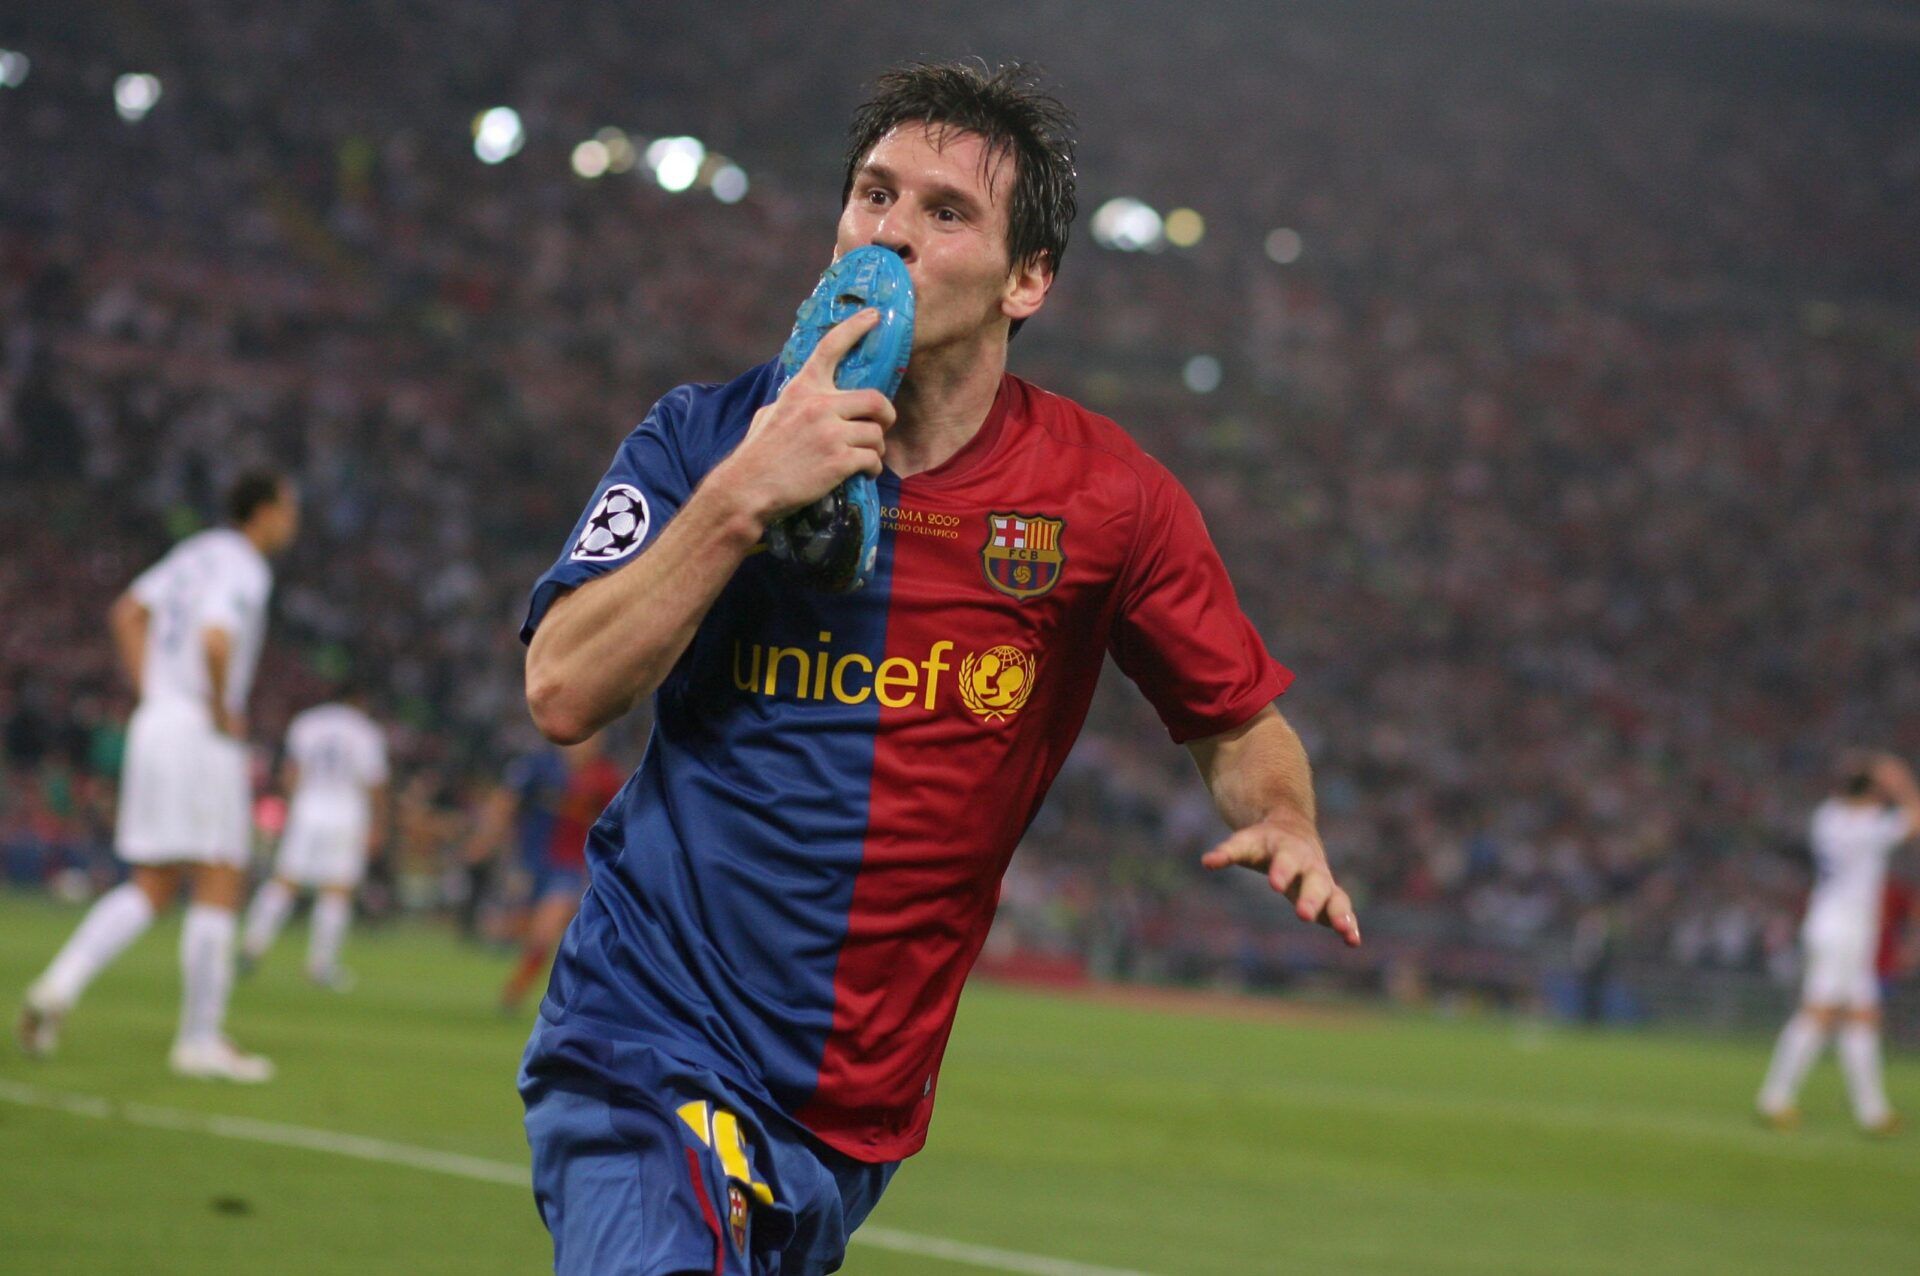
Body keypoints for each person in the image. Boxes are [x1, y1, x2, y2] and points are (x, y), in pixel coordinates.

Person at [516, 62, 1359, 1274]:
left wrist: (1284, 815)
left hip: (856, 1103)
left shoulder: (1107, 498)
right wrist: (744, 494)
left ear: (1029, 280)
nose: (891, 230)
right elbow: (560, 686)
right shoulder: (702, 434)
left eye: (945, 211)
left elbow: (1236, 720)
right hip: (650, 1030)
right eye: (872, 195)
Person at [16, 470, 299, 1082]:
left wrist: (153, 690)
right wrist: (222, 707)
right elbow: (217, 639)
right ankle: (198, 1040)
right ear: (264, 512)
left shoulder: (192, 552)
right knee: (221, 874)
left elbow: (126, 613)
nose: (292, 520)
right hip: (201, 728)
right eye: (288, 508)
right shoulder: (244, 564)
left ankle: (55, 988)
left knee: (153, 882)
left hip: (158, 722)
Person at [1758, 751, 1920, 1133]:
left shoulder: (1827, 816)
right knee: (1820, 1012)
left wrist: (1868, 773)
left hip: (1839, 925)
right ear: (1875, 793)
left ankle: (1872, 1112)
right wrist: (1902, 783)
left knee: (1862, 1016)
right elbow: (1914, 821)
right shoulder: (1867, 825)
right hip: (1843, 928)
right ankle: (1774, 1097)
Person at [238, 681, 390, 989]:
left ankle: (251, 947)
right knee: (337, 889)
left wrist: (294, 808)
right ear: (359, 699)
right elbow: (375, 784)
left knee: (285, 880)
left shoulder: (307, 723)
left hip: (308, 807)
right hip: (346, 811)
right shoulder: (365, 731)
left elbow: (292, 773)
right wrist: (379, 825)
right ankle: (320, 965)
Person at [495, 736, 625, 1013]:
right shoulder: (539, 767)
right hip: (532, 859)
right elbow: (509, 803)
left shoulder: (605, 777)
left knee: (545, 929)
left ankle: (515, 992)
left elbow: (618, 822)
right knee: (514, 929)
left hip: (570, 864)